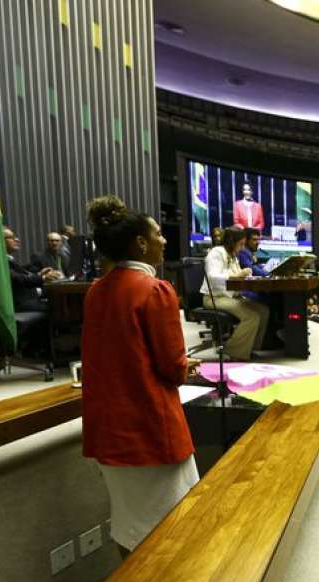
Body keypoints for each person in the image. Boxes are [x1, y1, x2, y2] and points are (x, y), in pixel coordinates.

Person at [80, 195, 201, 555]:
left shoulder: (95, 291)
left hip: (108, 430)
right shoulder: (155, 290)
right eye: (159, 234)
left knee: (129, 525)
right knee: (171, 526)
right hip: (149, 428)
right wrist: (184, 365)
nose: (165, 241)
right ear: (141, 243)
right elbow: (171, 368)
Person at [200, 228, 269, 361]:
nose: (242, 248)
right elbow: (212, 277)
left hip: (230, 297)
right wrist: (236, 275)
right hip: (214, 298)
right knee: (251, 316)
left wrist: (244, 274)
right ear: (232, 242)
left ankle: (249, 348)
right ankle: (235, 352)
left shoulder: (232, 256)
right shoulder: (216, 253)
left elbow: (237, 277)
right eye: (241, 244)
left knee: (263, 311)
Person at [3, 225, 61, 312]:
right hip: (21, 302)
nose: (17, 239)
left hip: (29, 297)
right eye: (11, 237)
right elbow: (18, 279)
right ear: (1, 241)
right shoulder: (1, 261)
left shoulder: (9, 259)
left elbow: (21, 273)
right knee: (58, 307)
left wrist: (39, 274)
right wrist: (44, 278)